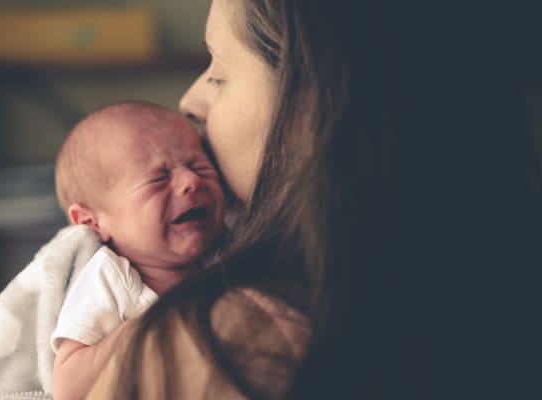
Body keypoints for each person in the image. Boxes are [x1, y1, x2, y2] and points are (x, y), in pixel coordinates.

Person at [74, 0, 542, 399]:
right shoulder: (501, 287)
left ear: (314, 106)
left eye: (220, 73)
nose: (188, 101)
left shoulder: (218, 346)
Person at [51, 101, 225, 400]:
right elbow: (68, 389)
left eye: (199, 165)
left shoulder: (229, 253)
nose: (191, 181)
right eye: (159, 178)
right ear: (92, 221)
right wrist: (142, 331)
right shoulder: (109, 279)